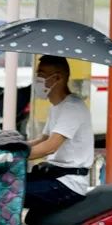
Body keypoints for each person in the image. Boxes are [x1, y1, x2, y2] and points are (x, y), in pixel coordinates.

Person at [24, 55, 93, 213]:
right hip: (54, 176)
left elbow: (50, 146)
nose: (37, 79)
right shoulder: (57, 106)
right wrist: (14, 148)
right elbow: (44, 139)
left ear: (57, 78)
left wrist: (16, 157)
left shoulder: (72, 107)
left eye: (41, 74)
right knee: (10, 183)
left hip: (68, 184)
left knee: (10, 192)